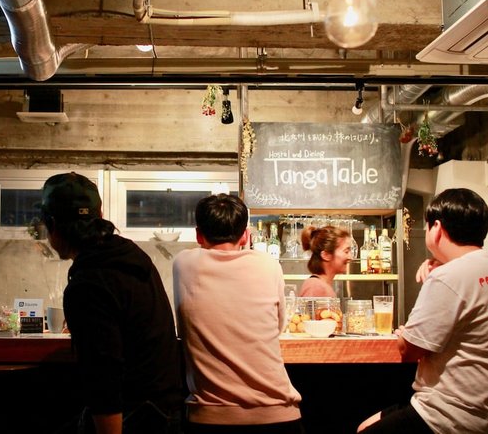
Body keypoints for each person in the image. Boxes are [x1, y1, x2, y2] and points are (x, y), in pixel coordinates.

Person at [40, 172, 183, 434]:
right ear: (100, 215)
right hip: (168, 412)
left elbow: (103, 377)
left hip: (138, 419)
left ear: (51, 224)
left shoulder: (87, 284)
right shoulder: (130, 255)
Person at [358, 188, 488, 434]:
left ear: (436, 228)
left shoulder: (447, 276)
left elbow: (409, 350)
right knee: (367, 425)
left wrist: (405, 333)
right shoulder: (468, 268)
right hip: (479, 411)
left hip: (449, 414)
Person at [173, 194, 304, 434]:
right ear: (246, 235)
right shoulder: (268, 264)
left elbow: (182, 329)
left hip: (209, 417)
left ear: (198, 235)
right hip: (278, 415)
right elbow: (278, 326)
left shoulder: (183, 264)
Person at [298, 225, 352, 297]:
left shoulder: (321, 285)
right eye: (346, 251)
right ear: (326, 255)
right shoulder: (315, 286)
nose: (350, 257)